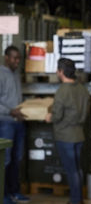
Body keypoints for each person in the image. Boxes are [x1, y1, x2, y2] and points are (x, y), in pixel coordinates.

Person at [45, 58, 90, 204]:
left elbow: (57, 116)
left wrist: (49, 117)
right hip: (79, 136)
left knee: (72, 172)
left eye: (58, 70)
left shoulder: (62, 92)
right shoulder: (83, 90)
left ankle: (75, 201)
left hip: (65, 137)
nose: (57, 73)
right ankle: (78, 200)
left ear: (61, 72)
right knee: (77, 170)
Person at [0, 45, 30, 204]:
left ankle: (15, 192)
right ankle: (3, 195)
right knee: (5, 160)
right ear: (6, 58)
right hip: (5, 124)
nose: (17, 61)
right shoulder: (1, 74)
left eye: (19, 58)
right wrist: (11, 111)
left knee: (17, 159)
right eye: (14, 58)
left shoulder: (16, 74)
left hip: (18, 123)